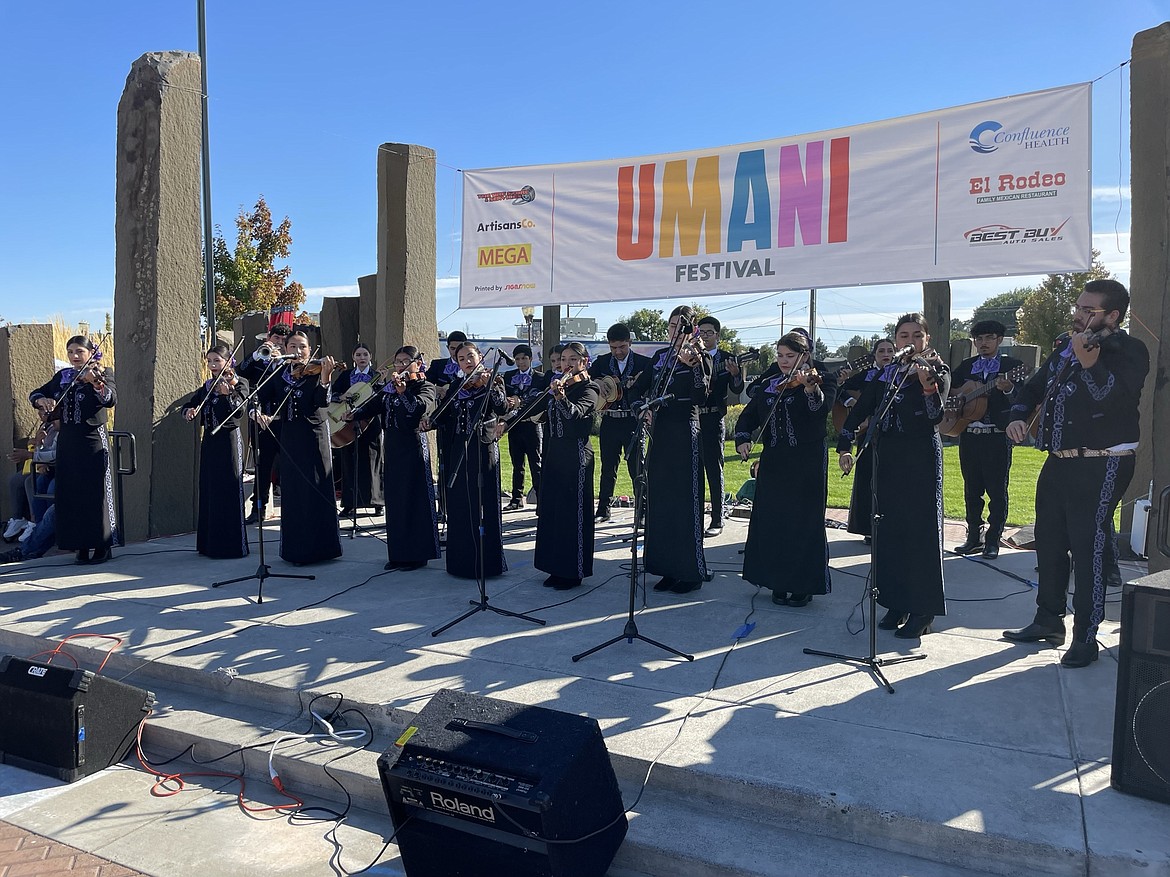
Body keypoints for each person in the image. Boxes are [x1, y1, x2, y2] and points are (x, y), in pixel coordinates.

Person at [1003, 279, 1149, 668]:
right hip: (1059, 459)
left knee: (1088, 546)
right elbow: (1031, 390)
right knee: (1049, 540)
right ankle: (1048, 620)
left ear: (1112, 315)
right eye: (1078, 306)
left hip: (1103, 461)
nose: (1078, 314)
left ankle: (1087, 635)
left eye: (1089, 309)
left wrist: (1090, 363)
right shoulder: (1067, 349)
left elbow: (1112, 397)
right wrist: (1017, 418)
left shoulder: (1131, 350)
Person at [837, 314, 950, 638]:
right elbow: (861, 410)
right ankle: (896, 601)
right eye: (903, 335)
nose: (909, 340)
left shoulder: (937, 370)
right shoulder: (886, 374)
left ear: (926, 340)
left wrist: (927, 384)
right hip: (886, 458)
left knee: (919, 533)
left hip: (919, 458)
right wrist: (845, 444)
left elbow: (936, 415)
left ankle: (923, 608)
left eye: (917, 335)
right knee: (889, 531)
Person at [734, 331, 837, 606]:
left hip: (807, 461)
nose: (783, 361)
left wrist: (809, 388)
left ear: (805, 356)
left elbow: (820, 411)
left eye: (790, 356)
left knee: (802, 522)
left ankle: (803, 584)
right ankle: (776, 580)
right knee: (773, 521)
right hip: (775, 461)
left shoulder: (821, 380)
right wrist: (743, 439)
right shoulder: (770, 384)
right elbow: (749, 415)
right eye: (780, 355)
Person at [631, 305, 712, 594]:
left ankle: (689, 571)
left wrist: (692, 366)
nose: (676, 331)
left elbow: (702, 395)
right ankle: (665, 567)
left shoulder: (700, 358)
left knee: (684, 501)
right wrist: (641, 408)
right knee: (660, 501)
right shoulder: (659, 357)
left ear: (691, 329)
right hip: (659, 433)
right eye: (672, 325)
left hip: (684, 432)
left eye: (682, 325)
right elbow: (636, 390)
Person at [253, 331, 342, 565]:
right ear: (285, 348)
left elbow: (321, 402)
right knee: (294, 491)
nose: (298, 350)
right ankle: (296, 548)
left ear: (309, 349)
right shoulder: (278, 374)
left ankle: (323, 548)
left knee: (316, 487)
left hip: (314, 437)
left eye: (302, 346)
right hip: (290, 437)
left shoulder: (315, 373)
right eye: (292, 345)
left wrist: (325, 377)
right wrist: (258, 412)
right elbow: (259, 397)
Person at [350, 346, 440, 571]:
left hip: (413, 449)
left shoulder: (425, 386)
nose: (400, 365)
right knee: (396, 501)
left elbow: (418, 409)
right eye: (398, 361)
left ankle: (417, 555)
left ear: (417, 364)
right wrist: (353, 413)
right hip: (392, 448)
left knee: (413, 500)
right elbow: (373, 405)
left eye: (406, 361)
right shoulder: (389, 389)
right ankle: (398, 553)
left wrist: (404, 392)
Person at [423, 341, 508, 580]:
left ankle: (487, 563)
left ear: (479, 356)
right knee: (461, 505)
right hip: (459, 450)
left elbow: (500, 407)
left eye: (470, 356)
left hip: (483, 450)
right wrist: (429, 421)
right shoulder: (457, 386)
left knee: (484, 503)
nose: (467, 361)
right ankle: (461, 562)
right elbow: (444, 414)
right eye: (461, 358)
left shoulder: (493, 382)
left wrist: (490, 386)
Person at [29, 336, 117, 564]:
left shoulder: (103, 373)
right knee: (71, 494)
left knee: (96, 493)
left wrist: (96, 384)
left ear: (90, 353)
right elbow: (36, 393)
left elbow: (110, 399)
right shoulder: (63, 376)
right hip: (68, 442)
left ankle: (102, 544)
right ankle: (80, 545)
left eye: (79, 351)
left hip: (92, 440)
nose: (75, 356)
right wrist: (43, 402)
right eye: (70, 352)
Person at [949, 320, 1024, 559]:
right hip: (969, 435)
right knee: (972, 489)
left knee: (997, 490)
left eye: (989, 338)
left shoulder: (1013, 366)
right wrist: (958, 402)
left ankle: (993, 539)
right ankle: (973, 536)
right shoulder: (966, 366)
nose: (983, 343)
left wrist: (1009, 387)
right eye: (979, 339)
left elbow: (1023, 400)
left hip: (997, 436)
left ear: (1000, 340)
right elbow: (949, 392)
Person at [533, 342, 599, 590]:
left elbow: (575, 415)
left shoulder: (589, 388)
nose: (566, 364)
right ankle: (554, 566)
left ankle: (573, 571)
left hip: (576, 456)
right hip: (555, 454)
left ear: (583, 362)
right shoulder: (556, 386)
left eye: (573, 359)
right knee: (554, 513)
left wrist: (560, 397)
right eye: (563, 359)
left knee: (573, 514)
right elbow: (537, 408)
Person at [182, 344, 250, 559]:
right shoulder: (208, 385)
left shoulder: (240, 383)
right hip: (210, 441)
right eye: (210, 361)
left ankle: (231, 546)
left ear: (228, 362)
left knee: (229, 491)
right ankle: (210, 544)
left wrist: (226, 395)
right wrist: (189, 411)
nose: (212, 365)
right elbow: (192, 403)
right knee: (210, 490)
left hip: (229, 441)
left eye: (217, 361)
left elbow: (238, 412)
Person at [836, 339, 896, 543]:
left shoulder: (903, 375)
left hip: (894, 435)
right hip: (868, 433)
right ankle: (868, 528)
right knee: (867, 480)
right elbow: (839, 390)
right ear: (875, 354)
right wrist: (850, 401)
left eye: (890, 350)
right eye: (881, 351)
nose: (886, 354)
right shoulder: (865, 376)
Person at [591, 324, 653, 521]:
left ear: (630, 343)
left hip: (633, 421)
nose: (618, 351)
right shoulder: (601, 363)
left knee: (637, 467)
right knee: (608, 466)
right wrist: (600, 386)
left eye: (622, 347)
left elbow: (652, 389)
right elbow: (589, 383)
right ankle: (603, 509)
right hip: (610, 420)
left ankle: (642, 511)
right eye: (613, 347)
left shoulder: (644, 363)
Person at [696, 315, 744, 537]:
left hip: (713, 418)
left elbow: (736, 388)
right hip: (692, 418)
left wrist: (735, 375)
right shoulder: (691, 356)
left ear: (718, 335)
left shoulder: (727, 358)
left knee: (714, 469)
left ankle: (717, 517)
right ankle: (694, 516)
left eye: (709, 333)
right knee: (692, 469)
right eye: (701, 332)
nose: (705, 337)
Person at [238, 323, 290, 523]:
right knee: (262, 467)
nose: (280, 343)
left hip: (284, 421)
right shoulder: (260, 359)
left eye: (284, 341)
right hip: (261, 420)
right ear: (269, 337)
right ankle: (258, 508)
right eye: (277, 339)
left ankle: (290, 507)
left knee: (287, 466)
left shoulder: (289, 363)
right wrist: (256, 354)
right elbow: (240, 373)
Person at [331, 342, 385, 518]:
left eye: (365, 355)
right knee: (349, 460)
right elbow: (331, 394)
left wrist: (382, 384)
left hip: (371, 421)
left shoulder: (376, 375)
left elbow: (383, 397)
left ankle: (377, 502)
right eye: (358, 355)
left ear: (370, 357)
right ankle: (349, 503)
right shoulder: (346, 375)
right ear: (353, 358)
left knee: (373, 459)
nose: (362, 358)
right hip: (348, 423)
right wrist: (341, 396)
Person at [425, 331, 469, 526]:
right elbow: (425, 383)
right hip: (444, 419)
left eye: (459, 349)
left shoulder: (469, 366)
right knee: (444, 463)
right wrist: (438, 389)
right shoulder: (438, 365)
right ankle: (443, 506)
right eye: (452, 348)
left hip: (463, 421)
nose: (455, 352)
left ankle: (462, 504)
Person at [501, 343, 542, 510]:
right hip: (514, 425)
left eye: (524, 358)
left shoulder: (540, 377)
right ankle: (516, 499)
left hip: (532, 425)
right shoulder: (508, 376)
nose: (520, 362)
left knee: (536, 463)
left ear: (530, 359)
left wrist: (522, 401)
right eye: (517, 359)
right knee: (517, 463)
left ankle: (541, 499)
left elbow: (540, 400)